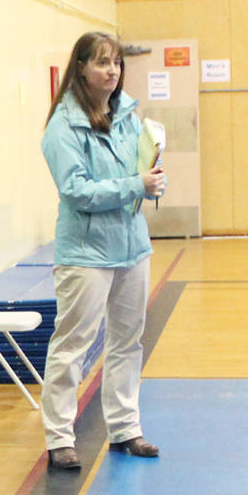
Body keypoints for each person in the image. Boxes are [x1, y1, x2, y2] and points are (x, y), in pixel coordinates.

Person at [39, 32, 165, 470]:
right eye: (101, 63)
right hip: (86, 254)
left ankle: (126, 427)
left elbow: (138, 168)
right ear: (81, 68)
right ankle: (59, 437)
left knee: (128, 342)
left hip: (132, 246)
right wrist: (136, 185)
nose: (111, 71)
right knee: (72, 344)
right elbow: (76, 190)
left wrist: (151, 176)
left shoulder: (129, 114)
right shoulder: (62, 126)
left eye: (115, 63)